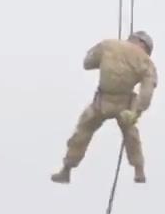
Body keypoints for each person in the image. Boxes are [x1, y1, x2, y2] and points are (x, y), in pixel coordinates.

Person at [51, 30, 157, 184]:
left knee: (82, 131)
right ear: (143, 45)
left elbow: (87, 63)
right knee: (131, 136)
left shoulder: (108, 45)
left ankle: (66, 169)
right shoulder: (146, 62)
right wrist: (137, 111)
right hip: (125, 104)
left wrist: (107, 59)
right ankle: (138, 170)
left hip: (102, 102)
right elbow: (147, 92)